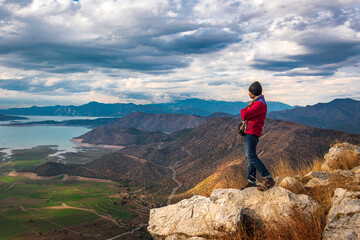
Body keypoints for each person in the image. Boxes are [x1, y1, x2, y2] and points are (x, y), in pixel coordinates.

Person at [240, 81, 275, 191]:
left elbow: (244, 114)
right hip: (251, 131)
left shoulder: (259, 104)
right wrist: (246, 110)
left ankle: (267, 177)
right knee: (250, 157)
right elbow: (247, 112)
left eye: (250, 92)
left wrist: (244, 110)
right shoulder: (257, 102)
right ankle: (251, 180)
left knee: (250, 156)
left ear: (254, 92)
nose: (249, 94)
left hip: (253, 132)